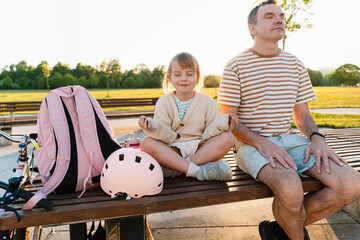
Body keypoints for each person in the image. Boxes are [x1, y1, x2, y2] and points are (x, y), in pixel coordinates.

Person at [218, 1, 360, 240]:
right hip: (251, 145)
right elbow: (229, 119)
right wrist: (262, 143)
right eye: (270, 16)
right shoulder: (235, 65)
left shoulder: (294, 64)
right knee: (291, 190)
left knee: (352, 184)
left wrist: (317, 139)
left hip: (291, 140)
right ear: (252, 28)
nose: (279, 20)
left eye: (282, 16)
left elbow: (302, 115)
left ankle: (279, 230)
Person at [139, 52, 237, 181]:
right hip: (174, 150)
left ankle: (176, 169)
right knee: (146, 143)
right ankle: (197, 170)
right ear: (169, 78)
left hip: (201, 149)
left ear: (197, 77)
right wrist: (152, 126)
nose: (183, 78)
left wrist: (224, 122)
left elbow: (211, 131)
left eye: (189, 74)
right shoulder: (164, 102)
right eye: (178, 74)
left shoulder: (207, 101)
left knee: (228, 138)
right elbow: (165, 135)